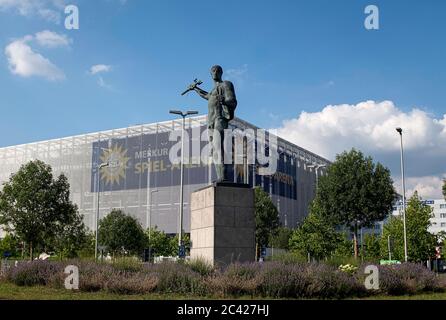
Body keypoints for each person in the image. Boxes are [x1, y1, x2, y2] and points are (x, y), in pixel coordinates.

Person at [192, 65, 237, 182]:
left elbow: (233, 101)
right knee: (214, 149)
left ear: (221, 73)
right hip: (211, 122)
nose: (215, 72)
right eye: (213, 71)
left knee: (218, 145)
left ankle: (223, 176)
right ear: (210, 74)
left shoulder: (226, 84)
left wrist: (224, 100)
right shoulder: (212, 91)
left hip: (220, 118)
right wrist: (195, 89)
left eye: (218, 70)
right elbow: (206, 95)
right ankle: (220, 176)